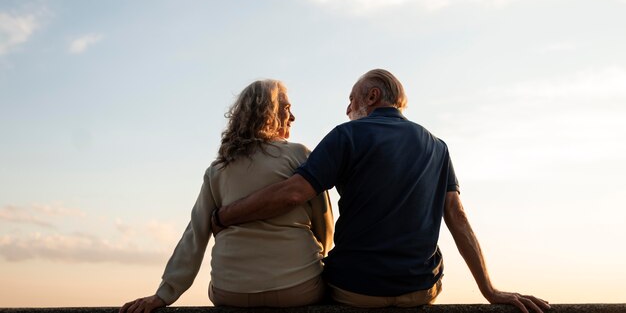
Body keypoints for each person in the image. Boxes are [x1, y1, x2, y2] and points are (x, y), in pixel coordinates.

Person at [213, 69, 551, 313]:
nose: (347, 110)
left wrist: (226, 215)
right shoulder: (438, 146)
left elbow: (291, 194)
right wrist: (490, 291)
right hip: (421, 288)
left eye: (351, 100)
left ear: (371, 97)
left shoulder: (347, 135)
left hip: (355, 290)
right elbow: (457, 217)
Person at [120, 80, 333, 313]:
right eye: (286, 109)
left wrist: (164, 294)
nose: (292, 117)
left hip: (231, 292)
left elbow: (195, 234)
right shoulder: (299, 155)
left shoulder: (217, 170)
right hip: (299, 288)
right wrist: (314, 256)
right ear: (269, 113)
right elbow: (324, 226)